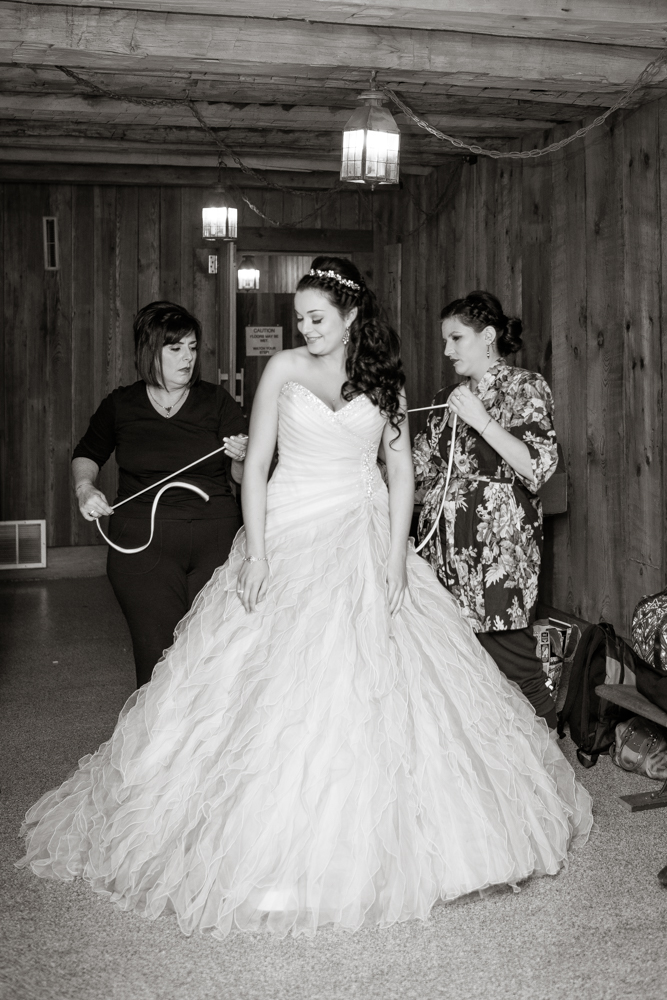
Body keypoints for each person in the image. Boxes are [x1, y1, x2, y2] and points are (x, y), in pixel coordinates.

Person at [18, 260, 592, 940]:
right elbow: (255, 466)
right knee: (266, 683)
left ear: (351, 317)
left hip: (361, 528)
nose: (306, 330)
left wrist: (392, 558)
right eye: (300, 319)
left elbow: (400, 470)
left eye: (318, 318)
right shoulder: (282, 371)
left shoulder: (382, 376)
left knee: (374, 681)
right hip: (288, 530)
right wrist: (257, 553)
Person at [71, 300, 248, 687]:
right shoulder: (121, 405)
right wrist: (85, 488)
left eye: (192, 347)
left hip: (214, 540)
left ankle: (208, 746)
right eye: (176, 348)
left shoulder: (216, 401)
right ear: (151, 351)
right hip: (141, 544)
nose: (188, 357)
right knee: (157, 664)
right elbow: (87, 454)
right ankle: (161, 746)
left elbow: (240, 476)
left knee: (213, 657)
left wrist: (241, 457)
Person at [413, 291, 559, 728]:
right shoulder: (446, 396)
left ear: (488, 336)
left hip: (498, 549)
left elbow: (537, 466)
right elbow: (420, 466)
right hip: (444, 547)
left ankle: (550, 764)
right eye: (445, 340)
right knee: (455, 659)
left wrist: (481, 419)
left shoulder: (526, 387)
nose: (446, 350)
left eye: (456, 338)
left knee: (512, 657)